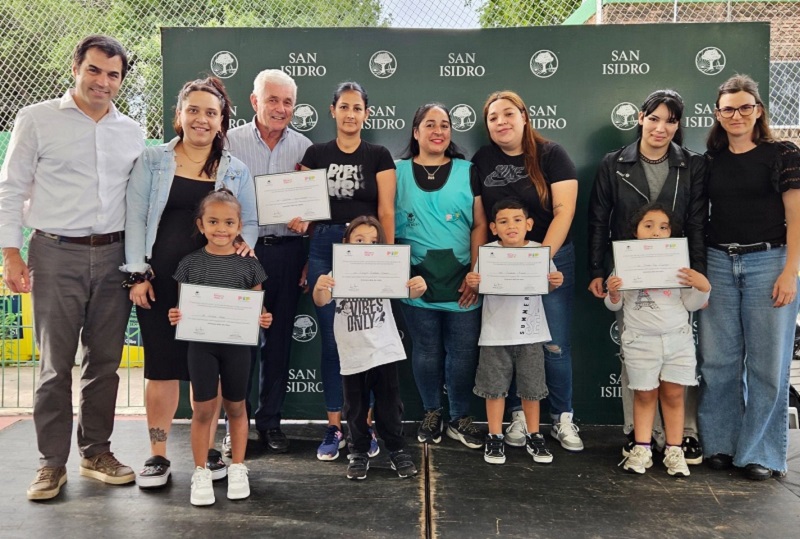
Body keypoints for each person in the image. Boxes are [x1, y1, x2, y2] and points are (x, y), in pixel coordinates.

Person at [0, 35, 144, 501]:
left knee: (104, 362)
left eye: (113, 74)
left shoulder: (132, 131)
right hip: (54, 252)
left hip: (114, 256)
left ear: (121, 79)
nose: (103, 82)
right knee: (53, 366)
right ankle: (50, 464)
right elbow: (10, 189)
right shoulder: (36, 120)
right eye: (95, 70)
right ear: (76, 67)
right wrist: (11, 253)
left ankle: (96, 452)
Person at [124, 77, 258, 488]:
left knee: (212, 371)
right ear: (179, 115)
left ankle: (211, 449)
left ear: (222, 122)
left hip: (217, 284)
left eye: (211, 113)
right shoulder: (151, 160)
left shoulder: (236, 169)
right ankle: (159, 456)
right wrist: (136, 273)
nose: (202, 119)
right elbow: (135, 218)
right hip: (160, 280)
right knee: (161, 368)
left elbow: (249, 222)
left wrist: (242, 250)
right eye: (194, 110)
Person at [587, 89, 707, 464]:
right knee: (636, 359)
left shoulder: (693, 164)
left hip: (676, 272)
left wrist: (698, 271)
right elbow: (598, 217)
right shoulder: (613, 163)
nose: (661, 127)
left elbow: (698, 221)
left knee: (677, 363)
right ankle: (637, 437)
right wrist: (596, 269)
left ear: (678, 125)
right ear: (640, 118)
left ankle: (681, 436)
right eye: (654, 118)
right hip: (630, 271)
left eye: (671, 120)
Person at [698, 74, 800, 480]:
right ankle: (721, 443)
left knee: (767, 364)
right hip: (718, 263)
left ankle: (761, 452)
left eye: (744, 107)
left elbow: (796, 218)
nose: (736, 115)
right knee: (718, 361)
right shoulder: (708, 161)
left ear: (758, 110)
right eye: (727, 108)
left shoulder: (783, 154)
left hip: (769, 264)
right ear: (717, 114)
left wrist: (791, 270)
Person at [472, 91, 582, 451]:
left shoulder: (552, 154)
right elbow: (481, 220)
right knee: (512, 341)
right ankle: (519, 415)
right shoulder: (482, 159)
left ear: (524, 116)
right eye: (493, 118)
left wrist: (541, 261)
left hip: (550, 258)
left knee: (554, 344)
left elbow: (564, 211)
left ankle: (562, 418)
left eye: (508, 114)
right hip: (503, 264)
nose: (501, 122)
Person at [301, 81, 396, 460]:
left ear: (366, 114)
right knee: (332, 340)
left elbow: (386, 211)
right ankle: (335, 426)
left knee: (366, 338)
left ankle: (365, 426)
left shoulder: (379, 155)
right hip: (325, 245)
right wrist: (300, 224)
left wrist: (388, 261)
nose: (351, 114)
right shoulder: (315, 153)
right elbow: (301, 205)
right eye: (344, 107)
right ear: (333, 111)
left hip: (367, 249)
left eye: (357, 108)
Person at [227, 69, 312, 455]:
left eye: (288, 102)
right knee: (240, 343)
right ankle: (236, 425)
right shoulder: (228, 142)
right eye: (273, 100)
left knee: (277, 342)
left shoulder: (305, 148)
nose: (280, 109)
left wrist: (307, 222)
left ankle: (271, 422)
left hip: (289, 252)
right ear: (254, 101)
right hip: (241, 252)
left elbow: (311, 207)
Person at [168, 189, 272, 505]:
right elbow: (183, 305)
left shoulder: (250, 265)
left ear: (239, 226)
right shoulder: (189, 264)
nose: (221, 229)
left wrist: (263, 317)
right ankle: (200, 473)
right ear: (201, 225)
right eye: (213, 221)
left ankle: (238, 467)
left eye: (228, 222)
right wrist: (176, 315)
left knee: (237, 407)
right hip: (201, 347)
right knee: (203, 410)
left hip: (237, 347)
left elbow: (258, 305)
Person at [395, 103, 487, 449]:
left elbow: (480, 224)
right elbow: (386, 224)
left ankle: (460, 416)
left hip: (462, 280)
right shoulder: (396, 171)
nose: (438, 130)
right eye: (429, 124)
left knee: (463, 352)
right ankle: (432, 412)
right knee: (426, 350)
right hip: (415, 281)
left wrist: (475, 273)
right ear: (416, 132)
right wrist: (401, 271)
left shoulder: (469, 170)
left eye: (445, 125)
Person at [312, 216, 425, 480]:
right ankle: (358, 452)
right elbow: (321, 300)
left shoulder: (387, 270)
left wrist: (419, 287)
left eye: (373, 242)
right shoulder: (335, 275)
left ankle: (397, 450)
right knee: (355, 410)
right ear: (345, 243)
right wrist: (319, 286)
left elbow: (411, 292)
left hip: (384, 351)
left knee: (389, 408)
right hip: (352, 354)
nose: (366, 246)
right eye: (359, 240)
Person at [605, 204, 710, 477]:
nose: (656, 232)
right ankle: (643, 447)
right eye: (648, 226)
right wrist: (613, 293)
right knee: (644, 394)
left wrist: (702, 286)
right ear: (635, 232)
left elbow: (692, 303)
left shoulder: (681, 265)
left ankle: (674, 451)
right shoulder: (624, 264)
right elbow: (613, 305)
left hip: (677, 341)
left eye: (663, 227)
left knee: (674, 395)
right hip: (640, 342)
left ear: (671, 233)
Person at [465, 199, 563, 466]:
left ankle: (534, 435)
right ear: (494, 228)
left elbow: (548, 288)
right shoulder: (487, 253)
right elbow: (476, 287)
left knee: (532, 390)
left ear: (529, 224)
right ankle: (495, 435)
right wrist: (472, 283)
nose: (512, 226)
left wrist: (555, 282)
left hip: (531, 335)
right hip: (495, 335)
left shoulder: (539, 253)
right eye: (504, 221)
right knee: (494, 390)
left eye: (518, 220)